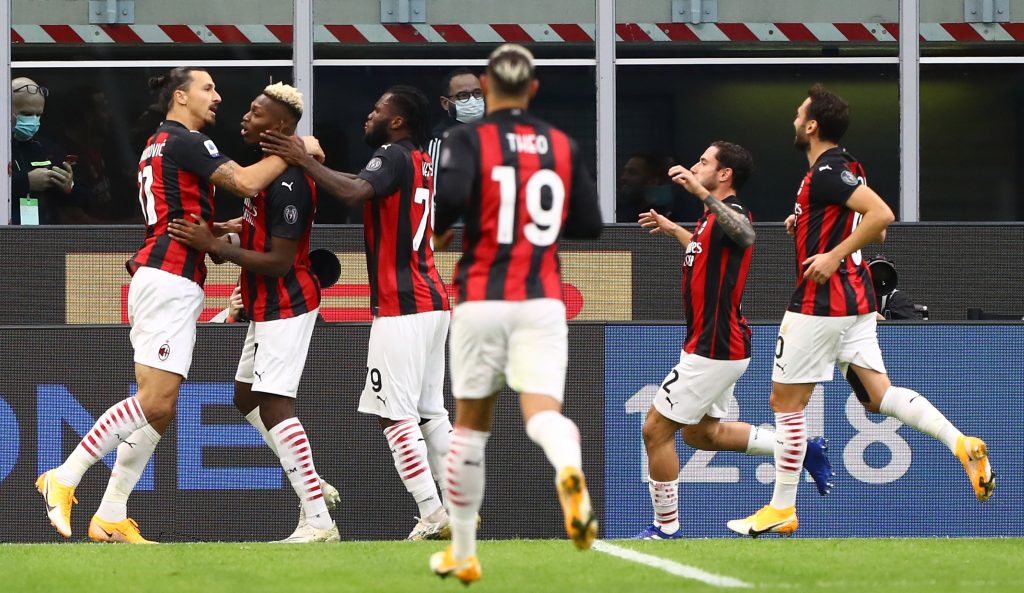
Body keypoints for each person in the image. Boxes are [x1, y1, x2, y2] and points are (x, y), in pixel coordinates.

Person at [35, 67, 317, 544]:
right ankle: (65, 475)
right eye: (208, 88)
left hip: (168, 276)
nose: (218, 97)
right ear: (181, 97)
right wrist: (298, 149)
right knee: (155, 401)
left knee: (160, 411)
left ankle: (111, 514)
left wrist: (221, 229)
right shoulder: (187, 140)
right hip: (167, 278)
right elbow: (246, 182)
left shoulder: (158, 143)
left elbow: (187, 209)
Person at [727, 84, 995, 538]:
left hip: (822, 301)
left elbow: (882, 217)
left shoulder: (826, 172)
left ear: (812, 126)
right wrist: (807, 224)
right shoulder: (851, 167)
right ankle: (960, 442)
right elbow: (871, 230)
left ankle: (781, 508)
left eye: (799, 115)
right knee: (877, 396)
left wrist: (832, 254)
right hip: (857, 301)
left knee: (785, 403)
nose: (794, 121)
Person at [426, 43, 602, 584]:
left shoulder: (466, 139)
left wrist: (446, 230)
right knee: (543, 413)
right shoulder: (562, 144)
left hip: (482, 296)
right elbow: (589, 225)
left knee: (469, 428)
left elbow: (446, 206)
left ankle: (463, 552)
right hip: (541, 298)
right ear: (534, 88)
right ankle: (568, 470)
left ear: (486, 85)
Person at [261, 85, 455, 542]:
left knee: (396, 416)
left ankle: (432, 513)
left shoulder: (391, 154)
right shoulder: (420, 160)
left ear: (397, 121)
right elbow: (362, 184)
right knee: (431, 412)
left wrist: (304, 159)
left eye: (377, 109)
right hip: (433, 300)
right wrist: (315, 165)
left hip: (402, 303)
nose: (369, 115)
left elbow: (353, 191)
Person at [168, 83, 341, 543]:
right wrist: (224, 236)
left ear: (281, 127)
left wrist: (214, 246)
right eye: (248, 109)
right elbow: (256, 234)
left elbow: (280, 261)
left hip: (289, 301)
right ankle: (309, 481)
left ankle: (318, 520)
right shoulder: (266, 174)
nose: (246, 117)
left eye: (257, 113)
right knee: (245, 398)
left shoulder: (290, 183)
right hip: (264, 303)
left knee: (274, 401)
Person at [634, 142, 834, 540]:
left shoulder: (733, 213)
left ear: (724, 174)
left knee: (655, 429)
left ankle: (666, 529)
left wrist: (699, 192)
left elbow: (746, 234)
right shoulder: (710, 220)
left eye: (704, 162)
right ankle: (800, 449)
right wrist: (676, 230)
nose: (695, 167)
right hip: (718, 344)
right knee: (701, 434)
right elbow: (704, 252)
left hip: (714, 346)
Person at [10, 76, 74, 225]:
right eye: (27, 114)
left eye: (38, 115)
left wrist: (68, 186)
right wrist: (26, 182)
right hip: (7, 232)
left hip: (44, 232)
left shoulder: (46, 147)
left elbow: (79, 200)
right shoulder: (3, 149)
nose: (33, 121)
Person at [426, 68, 484, 194]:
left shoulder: (492, 135)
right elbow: (434, 194)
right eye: (463, 96)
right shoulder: (437, 141)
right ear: (445, 103)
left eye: (477, 93)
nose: (473, 101)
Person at [615, 153, 674, 223]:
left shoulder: (668, 213)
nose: (623, 177)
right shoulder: (619, 208)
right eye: (624, 172)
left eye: (632, 173)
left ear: (652, 181)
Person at [868, 255, 921, 320]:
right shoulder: (858, 298)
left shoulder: (898, 299)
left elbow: (913, 326)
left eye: (883, 273)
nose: (878, 276)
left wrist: (882, 321)